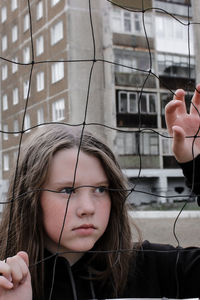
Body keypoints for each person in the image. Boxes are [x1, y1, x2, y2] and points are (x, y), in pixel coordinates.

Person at [0, 85, 200, 300]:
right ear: (29, 198)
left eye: (100, 189)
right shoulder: (6, 278)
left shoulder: (149, 265)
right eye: (68, 190)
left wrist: (196, 163)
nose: (88, 208)